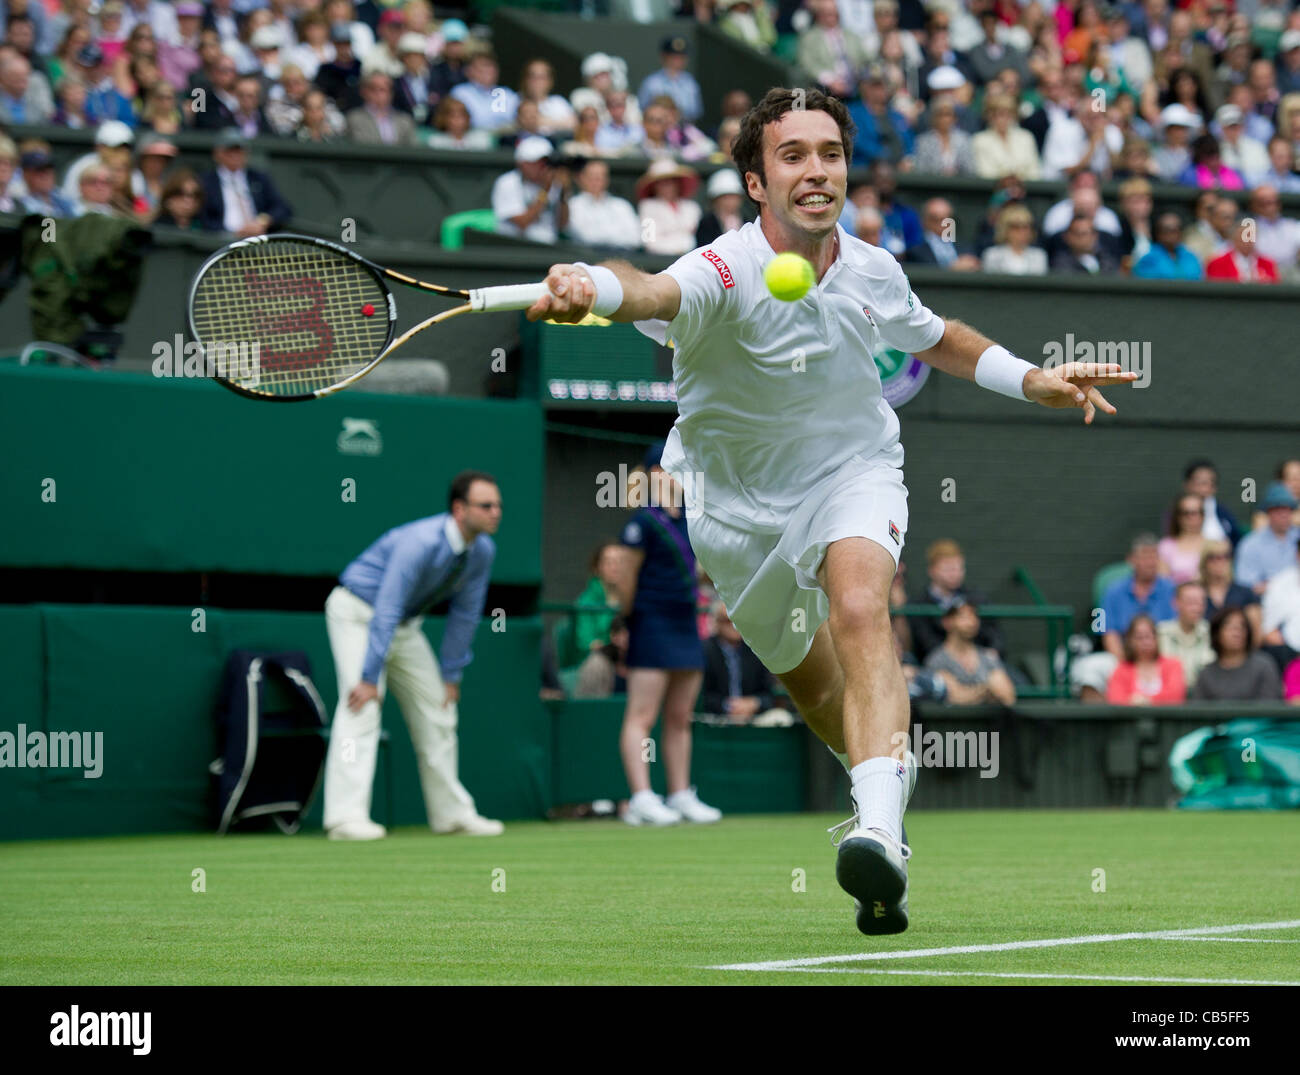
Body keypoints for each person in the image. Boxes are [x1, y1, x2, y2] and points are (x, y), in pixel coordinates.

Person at [524, 87, 1133, 934]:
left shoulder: (874, 267)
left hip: (854, 470)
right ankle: (881, 782)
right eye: (793, 155)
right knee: (817, 691)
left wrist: (1033, 378)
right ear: (755, 181)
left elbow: (933, 333)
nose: (817, 171)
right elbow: (647, 291)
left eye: (830, 153)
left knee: (859, 604)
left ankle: (879, 828)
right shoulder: (721, 270)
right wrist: (589, 282)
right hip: (734, 519)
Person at [322, 471, 505, 840]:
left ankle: (451, 815)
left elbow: (465, 615)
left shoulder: (482, 551)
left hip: (403, 625)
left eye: (498, 506)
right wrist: (369, 678)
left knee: (440, 706)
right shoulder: (419, 542)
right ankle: (344, 818)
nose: (495, 513)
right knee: (363, 705)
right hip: (357, 611)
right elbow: (386, 607)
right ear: (459, 509)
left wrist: (451, 675)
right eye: (486, 506)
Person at [614, 443, 720, 827]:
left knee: (679, 716)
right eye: (671, 469)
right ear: (654, 474)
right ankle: (642, 797)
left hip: (685, 621)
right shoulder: (641, 522)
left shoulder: (688, 521)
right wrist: (630, 619)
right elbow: (625, 577)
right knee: (642, 715)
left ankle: (679, 794)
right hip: (650, 620)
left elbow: (698, 572)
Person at [198, 128, 293, 235]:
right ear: (217, 154)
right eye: (229, 151)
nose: (234, 156)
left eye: (238, 151)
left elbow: (282, 208)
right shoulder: (206, 181)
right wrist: (233, 232)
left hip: (257, 239)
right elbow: (203, 217)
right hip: (222, 241)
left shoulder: (258, 178)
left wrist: (261, 222)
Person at [922, 599, 1016, 706]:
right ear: (947, 622)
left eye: (973, 615)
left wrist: (970, 693)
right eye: (963, 616)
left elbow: (1008, 697)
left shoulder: (988, 657)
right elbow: (954, 697)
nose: (971, 621)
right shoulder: (936, 660)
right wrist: (986, 690)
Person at [701, 601, 781, 722]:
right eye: (727, 620)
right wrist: (729, 707)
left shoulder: (756, 650)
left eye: (738, 621)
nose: (734, 626)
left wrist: (753, 703)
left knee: (780, 717)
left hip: (753, 716)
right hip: (715, 718)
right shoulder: (705, 650)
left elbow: (768, 694)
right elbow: (703, 696)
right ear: (716, 623)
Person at [1190, 607, 1283, 701]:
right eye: (1229, 626)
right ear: (1216, 633)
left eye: (1242, 626)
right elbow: (1198, 710)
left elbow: (1270, 706)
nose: (1237, 632)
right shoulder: (1207, 674)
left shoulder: (1264, 666)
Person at [491, 136, 566, 244]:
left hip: (549, 247)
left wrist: (564, 192)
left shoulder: (555, 183)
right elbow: (523, 223)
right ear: (521, 163)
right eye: (536, 162)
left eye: (545, 162)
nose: (542, 167)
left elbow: (562, 225)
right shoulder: (507, 183)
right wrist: (545, 191)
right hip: (516, 247)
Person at [1105, 614, 1187, 705]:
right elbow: (1116, 700)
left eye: (1148, 636)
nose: (1145, 642)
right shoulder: (1121, 670)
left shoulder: (1173, 665)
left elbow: (1176, 696)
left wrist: (1147, 700)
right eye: (1139, 638)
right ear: (1131, 641)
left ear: (1156, 638)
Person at [1235, 481, 1300, 594]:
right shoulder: (1251, 544)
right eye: (1278, 509)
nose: (1284, 514)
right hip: (1265, 602)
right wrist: (1279, 587)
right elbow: (1245, 585)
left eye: (1288, 509)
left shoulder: (1297, 535)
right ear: (1268, 512)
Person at [565, 157, 639, 250]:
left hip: (621, 258)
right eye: (592, 176)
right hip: (587, 258)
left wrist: (605, 237)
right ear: (582, 178)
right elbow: (586, 237)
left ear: (607, 179)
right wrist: (616, 236)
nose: (597, 180)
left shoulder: (622, 205)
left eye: (601, 176)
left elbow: (635, 238)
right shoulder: (573, 205)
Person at [636, 157, 701, 257]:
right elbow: (649, 241)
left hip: (689, 259)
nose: (667, 186)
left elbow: (692, 239)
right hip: (659, 261)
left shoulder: (692, 208)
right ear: (655, 186)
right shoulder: (647, 206)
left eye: (671, 181)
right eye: (662, 182)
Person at [1199, 538, 1262, 641]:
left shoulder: (1245, 593)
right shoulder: (1196, 593)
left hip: (1240, 652)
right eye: (1213, 557)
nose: (1219, 561)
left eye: (1225, 556)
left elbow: (1256, 633)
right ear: (1204, 562)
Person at [1156, 581, 1214, 688]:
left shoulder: (1214, 633)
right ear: (1176, 603)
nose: (1197, 608)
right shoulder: (1159, 633)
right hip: (1167, 696)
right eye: (1191, 602)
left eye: (1201, 603)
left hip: (1204, 697)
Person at [636, 35, 702, 124]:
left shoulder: (690, 83)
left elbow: (695, 112)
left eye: (681, 57)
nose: (677, 61)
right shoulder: (651, 82)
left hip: (684, 129)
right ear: (663, 57)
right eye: (673, 57)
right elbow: (642, 110)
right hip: (657, 129)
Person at [1206, 212, 1280, 283]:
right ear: (1234, 237)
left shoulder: (1268, 264)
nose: (1248, 239)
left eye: (1251, 235)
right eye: (1244, 235)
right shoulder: (1218, 264)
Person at [1132, 211, 1204, 280]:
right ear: (1158, 233)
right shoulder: (1148, 258)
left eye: (1175, 231)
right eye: (1167, 231)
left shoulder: (1191, 256)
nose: (1172, 235)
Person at [981, 203, 1047, 274]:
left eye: (1026, 227)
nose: (1022, 231)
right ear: (1005, 229)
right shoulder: (992, 255)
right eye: (1016, 227)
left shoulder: (1039, 255)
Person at [1158, 493, 1206, 583]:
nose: (1191, 517)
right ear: (1178, 517)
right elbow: (1163, 580)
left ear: (1203, 516)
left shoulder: (1215, 544)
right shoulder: (1166, 545)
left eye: (1196, 512)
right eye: (1186, 513)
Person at [695, 168, 746, 246]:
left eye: (733, 197)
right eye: (725, 197)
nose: (730, 202)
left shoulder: (747, 222)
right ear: (715, 200)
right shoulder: (707, 224)